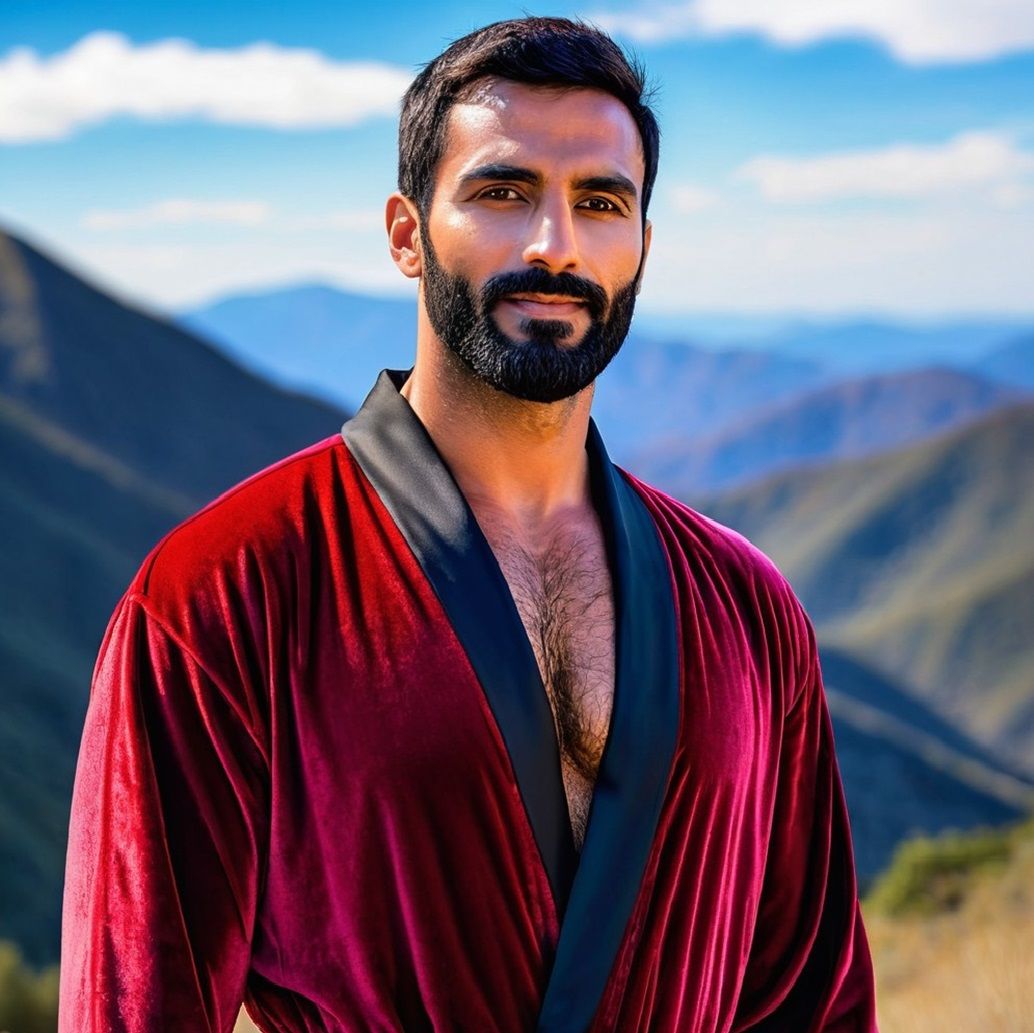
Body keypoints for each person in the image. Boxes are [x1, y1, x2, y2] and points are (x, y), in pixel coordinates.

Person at [59, 16, 879, 1033]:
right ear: (407, 233)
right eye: (501, 192)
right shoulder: (222, 593)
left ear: (641, 246)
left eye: (598, 202)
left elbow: (812, 1005)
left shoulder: (746, 607)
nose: (554, 244)